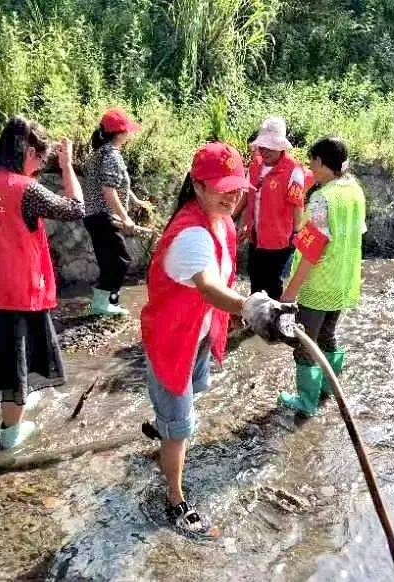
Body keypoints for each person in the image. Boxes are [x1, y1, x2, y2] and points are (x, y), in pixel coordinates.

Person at [141, 142, 292, 537]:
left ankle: (163, 425)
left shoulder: (220, 221)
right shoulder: (191, 235)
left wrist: (246, 310)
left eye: (238, 186)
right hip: (172, 339)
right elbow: (209, 288)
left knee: (187, 395)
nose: (233, 195)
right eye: (221, 187)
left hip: (197, 334)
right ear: (197, 186)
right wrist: (251, 306)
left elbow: (217, 282)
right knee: (180, 429)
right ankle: (174, 500)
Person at [0, 117, 84, 449]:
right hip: (14, 292)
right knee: (18, 363)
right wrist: (67, 167)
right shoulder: (23, 189)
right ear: (29, 151)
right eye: (40, 160)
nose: (39, 168)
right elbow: (76, 209)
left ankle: (14, 412)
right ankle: (11, 434)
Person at [278, 137, 367, 416]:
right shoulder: (354, 190)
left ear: (322, 162)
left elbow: (311, 250)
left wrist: (291, 291)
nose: (309, 168)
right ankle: (329, 387)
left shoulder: (322, 198)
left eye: (312, 161)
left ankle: (306, 401)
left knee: (304, 342)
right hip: (342, 279)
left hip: (318, 283)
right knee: (328, 335)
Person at [235, 117, 313, 300]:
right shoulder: (255, 166)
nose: (265, 151)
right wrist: (235, 219)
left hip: (280, 240)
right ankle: (255, 321)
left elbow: (297, 204)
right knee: (255, 278)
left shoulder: (293, 170)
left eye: (270, 147)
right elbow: (248, 196)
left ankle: (273, 322)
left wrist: (295, 233)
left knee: (272, 283)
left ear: (281, 147)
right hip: (256, 237)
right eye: (262, 147)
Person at [83, 107, 152, 316]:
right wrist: (125, 218)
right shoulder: (112, 156)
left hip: (95, 216)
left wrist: (136, 200)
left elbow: (118, 185)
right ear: (120, 133)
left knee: (109, 262)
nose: (129, 134)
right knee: (121, 261)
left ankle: (105, 303)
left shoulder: (100, 154)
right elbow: (108, 191)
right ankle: (103, 303)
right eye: (127, 131)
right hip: (104, 217)